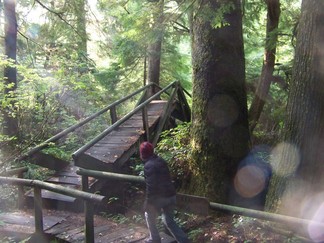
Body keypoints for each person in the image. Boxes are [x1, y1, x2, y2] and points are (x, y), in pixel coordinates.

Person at [139, 141, 190, 243]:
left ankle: (155, 239)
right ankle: (184, 240)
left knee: (148, 215)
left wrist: (147, 203)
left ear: (143, 154)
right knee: (169, 221)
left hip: (160, 198)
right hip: (171, 195)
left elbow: (151, 187)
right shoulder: (160, 160)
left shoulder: (148, 166)